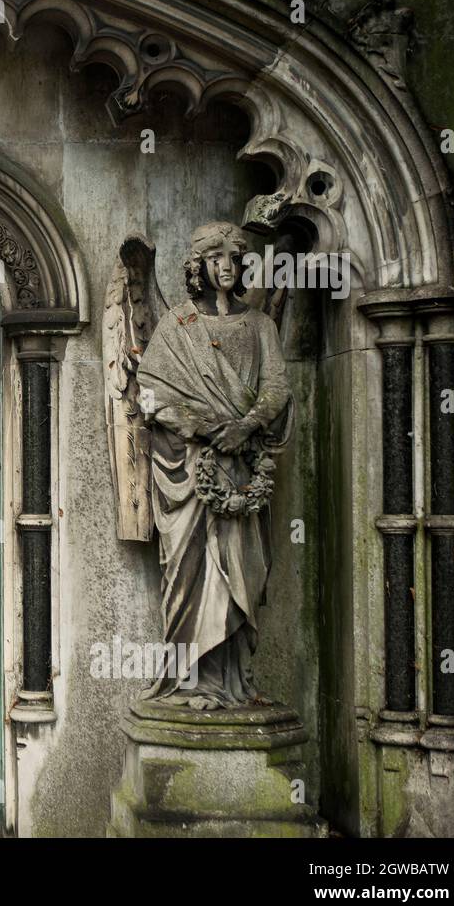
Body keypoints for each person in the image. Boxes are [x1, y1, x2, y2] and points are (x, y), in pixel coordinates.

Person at [136, 221, 293, 710]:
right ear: (198, 266)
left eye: (235, 256)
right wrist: (202, 425)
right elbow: (150, 394)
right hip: (190, 471)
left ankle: (235, 684)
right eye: (216, 257)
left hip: (243, 469)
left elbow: (278, 388)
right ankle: (191, 682)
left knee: (242, 573)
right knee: (190, 572)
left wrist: (245, 427)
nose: (226, 265)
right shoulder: (177, 326)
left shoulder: (260, 326)